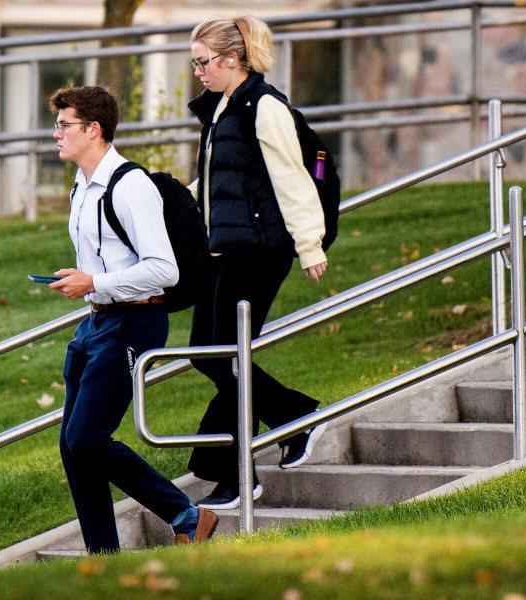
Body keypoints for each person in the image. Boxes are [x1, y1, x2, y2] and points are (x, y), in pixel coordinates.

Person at [43, 85, 217, 552]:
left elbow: (164, 269)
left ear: (94, 130)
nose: (55, 133)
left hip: (134, 322)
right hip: (95, 324)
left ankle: (186, 514)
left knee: (86, 439)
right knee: (73, 447)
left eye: (65, 125)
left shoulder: (130, 185)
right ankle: (104, 556)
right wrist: (83, 283)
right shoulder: (82, 185)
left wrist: (93, 284)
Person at [184, 13, 330, 510]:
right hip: (224, 250)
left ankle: (238, 473)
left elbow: (294, 179)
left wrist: (310, 246)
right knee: (208, 351)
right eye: (195, 63)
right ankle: (294, 418)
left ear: (231, 58)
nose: (198, 71)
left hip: (260, 251)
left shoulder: (264, 107)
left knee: (223, 354)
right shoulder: (222, 109)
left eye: (204, 62)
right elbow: (217, 181)